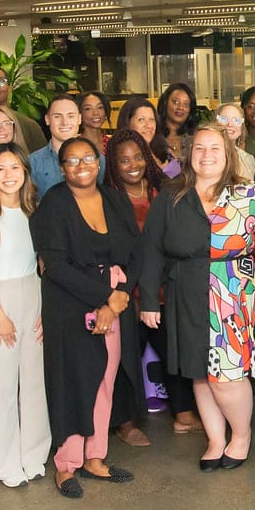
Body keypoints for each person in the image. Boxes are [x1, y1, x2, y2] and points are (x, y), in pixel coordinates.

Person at [136, 126, 255, 471]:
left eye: (215, 149)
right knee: (200, 373)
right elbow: (151, 250)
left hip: (235, 294)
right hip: (186, 292)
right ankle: (215, 439)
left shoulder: (249, 194)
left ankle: (241, 435)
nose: (207, 155)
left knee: (226, 376)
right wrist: (149, 299)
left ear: (228, 154)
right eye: (200, 149)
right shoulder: (171, 195)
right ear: (189, 154)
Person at [33, 136, 142, 499]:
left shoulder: (113, 197)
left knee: (104, 380)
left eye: (87, 158)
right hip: (69, 304)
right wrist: (103, 297)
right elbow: (57, 267)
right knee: (73, 381)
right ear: (62, 168)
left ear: (99, 163)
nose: (81, 166)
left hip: (113, 302)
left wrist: (116, 301)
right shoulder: (54, 204)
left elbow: (135, 252)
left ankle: (95, 457)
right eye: (72, 161)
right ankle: (66, 464)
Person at [0, 144, 48, 488]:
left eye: (14, 167)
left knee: (34, 381)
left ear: (25, 172)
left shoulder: (36, 211)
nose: (8, 175)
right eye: (0, 169)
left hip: (33, 293)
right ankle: (4, 461)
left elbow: (44, 266)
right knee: (0, 385)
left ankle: (34, 454)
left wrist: (44, 310)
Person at [107, 127, 180, 436]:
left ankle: (184, 414)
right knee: (126, 359)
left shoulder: (163, 190)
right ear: (113, 164)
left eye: (138, 156)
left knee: (174, 352)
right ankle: (126, 422)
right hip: (127, 292)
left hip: (166, 287)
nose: (133, 164)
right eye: (124, 160)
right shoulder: (108, 197)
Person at [28, 94, 83, 195]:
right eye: (57, 116)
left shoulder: (97, 160)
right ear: (47, 120)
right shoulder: (32, 163)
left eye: (70, 116)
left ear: (79, 119)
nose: (65, 122)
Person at [119, 95, 179, 178]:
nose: (148, 126)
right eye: (141, 120)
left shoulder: (164, 151)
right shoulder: (122, 156)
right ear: (128, 123)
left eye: (152, 119)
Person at [211, 102, 255, 180]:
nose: (230, 124)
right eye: (224, 119)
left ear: (242, 128)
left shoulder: (249, 158)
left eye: (236, 120)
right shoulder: (207, 156)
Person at [158, 82, 200, 160]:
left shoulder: (196, 137)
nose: (181, 107)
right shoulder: (153, 134)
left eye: (186, 104)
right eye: (176, 102)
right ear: (165, 103)